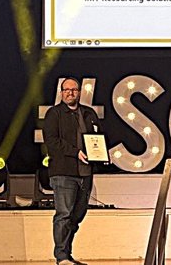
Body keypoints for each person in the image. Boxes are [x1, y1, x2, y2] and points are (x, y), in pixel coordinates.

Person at [42, 77, 103, 265]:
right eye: (66, 90)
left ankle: (67, 254)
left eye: (74, 90)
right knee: (64, 214)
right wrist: (75, 152)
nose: (70, 93)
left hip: (85, 173)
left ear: (79, 92)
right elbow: (51, 142)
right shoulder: (54, 114)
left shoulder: (88, 113)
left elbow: (97, 139)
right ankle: (61, 256)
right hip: (64, 173)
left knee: (77, 215)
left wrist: (100, 155)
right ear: (61, 93)